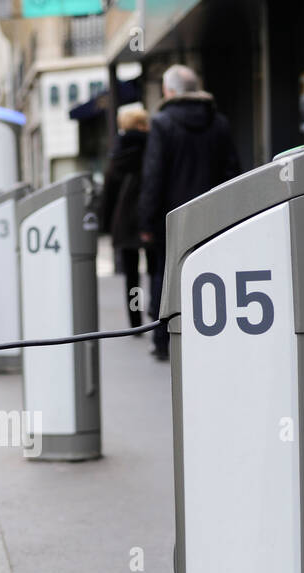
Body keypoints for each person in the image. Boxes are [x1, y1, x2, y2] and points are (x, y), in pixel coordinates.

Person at [138, 64, 242, 360]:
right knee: (213, 273)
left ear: (169, 91)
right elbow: (232, 171)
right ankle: (212, 336)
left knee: (166, 277)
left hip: (173, 219)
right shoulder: (219, 122)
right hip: (215, 216)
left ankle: (163, 340)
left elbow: (153, 176)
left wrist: (146, 220)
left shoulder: (161, 123)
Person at [99, 106, 150, 328]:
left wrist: (106, 223)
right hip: (149, 215)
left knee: (132, 276)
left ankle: (135, 318)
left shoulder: (117, 153)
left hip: (124, 219)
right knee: (157, 269)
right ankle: (158, 311)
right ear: (142, 124)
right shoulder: (153, 147)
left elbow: (109, 191)